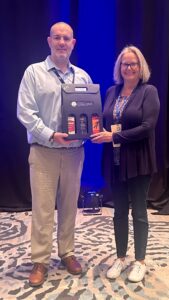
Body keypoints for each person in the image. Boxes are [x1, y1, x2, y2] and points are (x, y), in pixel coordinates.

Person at [17, 22, 92, 287]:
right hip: (44, 151)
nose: (62, 42)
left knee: (70, 208)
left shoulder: (82, 77)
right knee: (43, 209)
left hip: (74, 153)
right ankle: (40, 260)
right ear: (49, 41)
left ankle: (67, 253)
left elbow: (89, 112)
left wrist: (92, 128)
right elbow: (25, 112)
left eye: (67, 38)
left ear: (73, 43)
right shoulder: (34, 73)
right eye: (57, 37)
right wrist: (50, 134)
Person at [91, 45, 160, 282]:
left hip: (139, 161)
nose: (128, 67)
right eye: (124, 64)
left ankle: (139, 261)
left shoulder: (149, 91)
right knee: (118, 212)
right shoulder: (112, 91)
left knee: (139, 213)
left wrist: (114, 136)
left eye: (133, 64)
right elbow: (105, 121)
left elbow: (147, 127)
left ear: (140, 68)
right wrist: (96, 132)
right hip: (115, 161)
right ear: (119, 67)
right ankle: (121, 257)